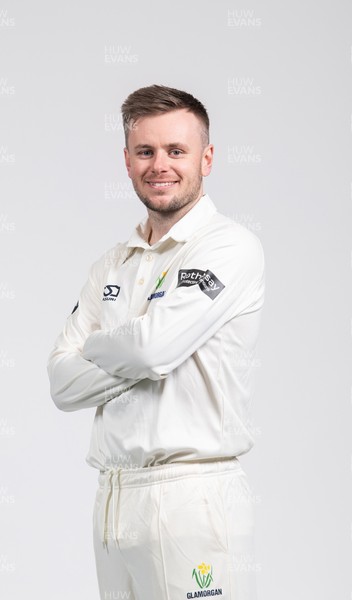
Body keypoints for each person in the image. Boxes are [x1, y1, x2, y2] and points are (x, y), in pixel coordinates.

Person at [47, 84, 265, 600]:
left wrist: (106, 346)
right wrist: (142, 346)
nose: (159, 165)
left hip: (192, 494)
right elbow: (61, 382)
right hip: (113, 498)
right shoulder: (112, 264)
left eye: (176, 150)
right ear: (126, 160)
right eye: (145, 151)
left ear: (206, 158)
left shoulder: (228, 246)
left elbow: (153, 350)